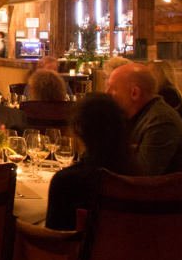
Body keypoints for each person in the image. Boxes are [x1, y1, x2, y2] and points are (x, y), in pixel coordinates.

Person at [45, 93, 134, 231]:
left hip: (79, 252)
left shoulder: (67, 181)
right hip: (125, 251)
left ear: (78, 128)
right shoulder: (137, 177)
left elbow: (55, 242)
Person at [106, 63, 182, 174]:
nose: (107, 93)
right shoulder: (133, 115)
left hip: (179, 189)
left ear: (134, 93)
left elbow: (144, 175)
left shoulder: (160, 120)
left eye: (113, 88)